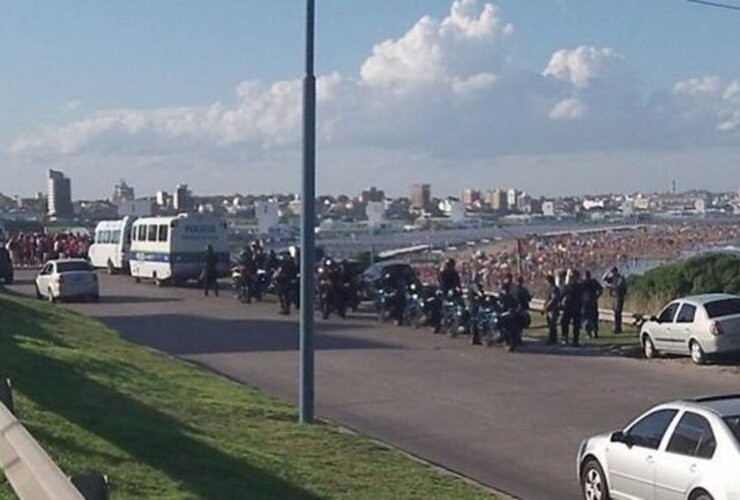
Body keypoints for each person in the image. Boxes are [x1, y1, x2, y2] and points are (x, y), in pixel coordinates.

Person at [559, 269, 582, 346]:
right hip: (568, 308)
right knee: (565, 323)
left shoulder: (578, 286)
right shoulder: (567, 286)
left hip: (575, 307)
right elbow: (561, 295)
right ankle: (565, 338)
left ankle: (575, 340)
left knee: (576, 325)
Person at [603, 266, 628, 334]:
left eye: (612, 272)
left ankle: (618, 328)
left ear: (615, 271)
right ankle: (617, 327)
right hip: (614, 297)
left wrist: (609, 286)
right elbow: (604, 279)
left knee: (618, 312)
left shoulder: (620, 278)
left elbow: (618, 286)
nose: (612, 274)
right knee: (615, 312)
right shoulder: (613, 278)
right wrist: (607, 272)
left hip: (619, 297)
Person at [581, 270, 603, 338]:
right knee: (594, 317)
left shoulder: (583, 283)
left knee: (586, 318)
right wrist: (597, 296)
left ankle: (589, 333)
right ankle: (595, 333)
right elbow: (601, 290)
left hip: (585, 302)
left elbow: (578, 292)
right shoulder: (594, 282)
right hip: (593, 301)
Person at [543, 274, 560, 345]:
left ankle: (553, 339)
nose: (545, 282)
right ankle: (551, 338)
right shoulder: (549, 288)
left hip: (553, 309)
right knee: (550, 324)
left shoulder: (554, 288)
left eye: (546, 281)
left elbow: (553, 298)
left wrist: (547, 306)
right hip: (549, 309)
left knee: (552, 324)